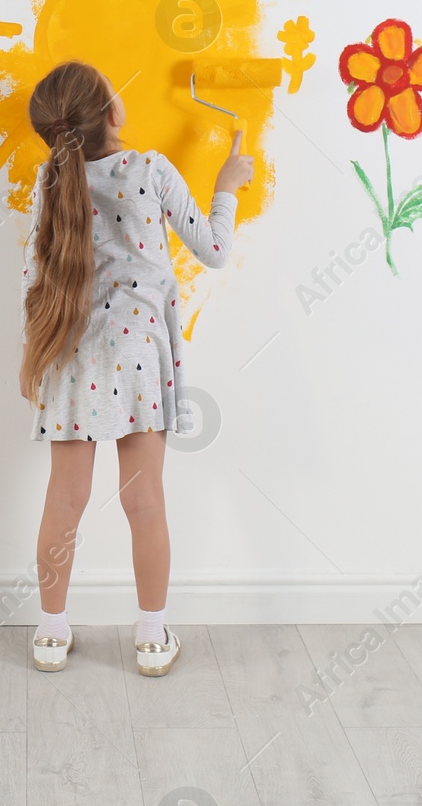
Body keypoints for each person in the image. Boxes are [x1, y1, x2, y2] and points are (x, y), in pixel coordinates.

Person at [19, 60, 253, 675]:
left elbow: (33, 281)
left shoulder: (48, 179)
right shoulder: (150, 170)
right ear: (112, 113)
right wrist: (227, 185)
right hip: (139, 359)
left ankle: (50, 634)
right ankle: (151, 639)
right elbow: (215, 251)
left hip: (70, 354)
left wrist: (32, 357)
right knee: (144, 501)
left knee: (63, 500)